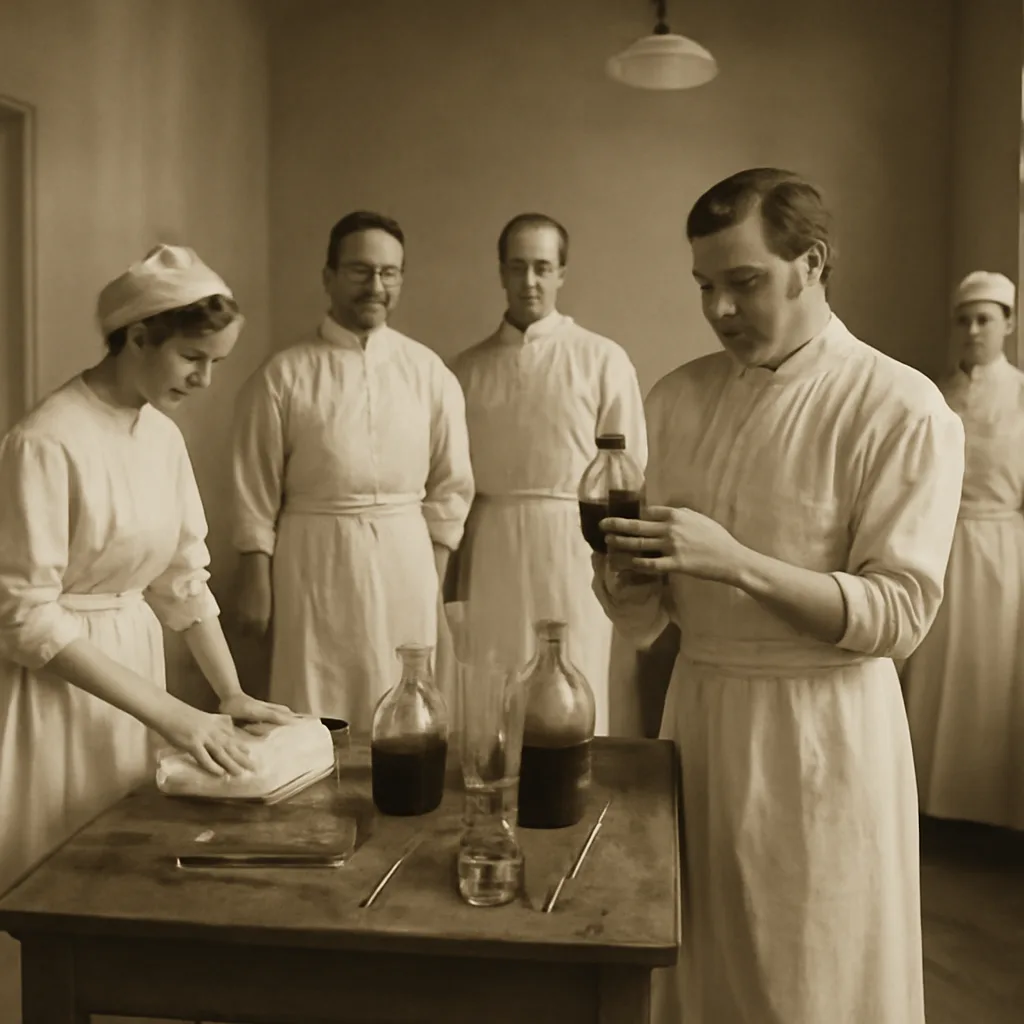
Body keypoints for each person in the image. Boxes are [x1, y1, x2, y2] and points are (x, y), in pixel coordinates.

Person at [593, 168, 966, 1024]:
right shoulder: (677, 397)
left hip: (822, 734)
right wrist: (630, 581)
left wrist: (738, 564)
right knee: (697, 962)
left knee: (810, 971)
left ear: (813, 263)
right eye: (704, 287)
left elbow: (900, 617)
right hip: (700, 720)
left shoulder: (900, 406)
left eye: (744, 282)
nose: (719, 310)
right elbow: (650, 615)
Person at [0, 243, 296, 901]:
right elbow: (23, 619)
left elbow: (182, 578)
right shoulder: (44, 442)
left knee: (121, 870)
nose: (205, 379)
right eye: (193, 358)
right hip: (58, 689)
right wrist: (172, 716)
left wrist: (229, 693)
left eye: (216, 362)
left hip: (135, 673)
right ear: (137, 336)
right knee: (51, 870)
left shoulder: (162, 438)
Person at [232, 211, 474, 729]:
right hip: (314, 557)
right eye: (361, 271)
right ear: (329, 277)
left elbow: (452, 485)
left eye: (390, 273)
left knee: (405, 703)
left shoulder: (428, 372)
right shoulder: (284, 374)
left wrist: (431, 573)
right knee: (318, 693)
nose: (376, 286)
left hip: (407, 557)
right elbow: (253, 488)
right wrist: (256, 579)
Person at [450, 213, 647, 736]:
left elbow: (630, 473)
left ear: (562, 273)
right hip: (489, 543)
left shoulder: (601, 359)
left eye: (542, 267)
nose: (530, 282)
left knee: (571, 677)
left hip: (572, 546)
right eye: (518, 268)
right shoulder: (466, 370)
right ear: (501, 273)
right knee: (494, 675)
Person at [902, 270, 1024, 830]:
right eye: (965, 320)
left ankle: (993, 817)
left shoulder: (1021, 395)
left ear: (1009, 324)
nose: (974, 330)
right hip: (941, 543)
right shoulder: (938, 396)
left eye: (986, 319)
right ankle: (929, 809)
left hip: (1003, 555)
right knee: (933, 677)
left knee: (992, 676)